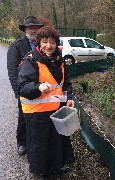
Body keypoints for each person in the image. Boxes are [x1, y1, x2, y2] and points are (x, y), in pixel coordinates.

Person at [17, 25, 75, 176]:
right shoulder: (31, 61)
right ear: (39, 43)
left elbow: (66, 82)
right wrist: (38, 87)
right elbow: (22, 86)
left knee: (56, 141)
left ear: (56, 44)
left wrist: (69, 98)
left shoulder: (60, 60)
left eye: (52, 42)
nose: (49, 46)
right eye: (45, 42)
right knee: (39, 144)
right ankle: (40, 171)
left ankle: (56, 167)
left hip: (56, 109)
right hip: (36, 112)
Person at [7, 16, 44, 155]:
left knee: (39, 115)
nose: (33, 30)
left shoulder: (43, 44)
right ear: (25, 29)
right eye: (30, 27)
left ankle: (36, 141)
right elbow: (12, 71)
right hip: (24, 88)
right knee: (23, 116)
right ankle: (21, 142)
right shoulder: (17, 46)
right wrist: (18, 92)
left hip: (41, 87)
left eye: (36, 27)